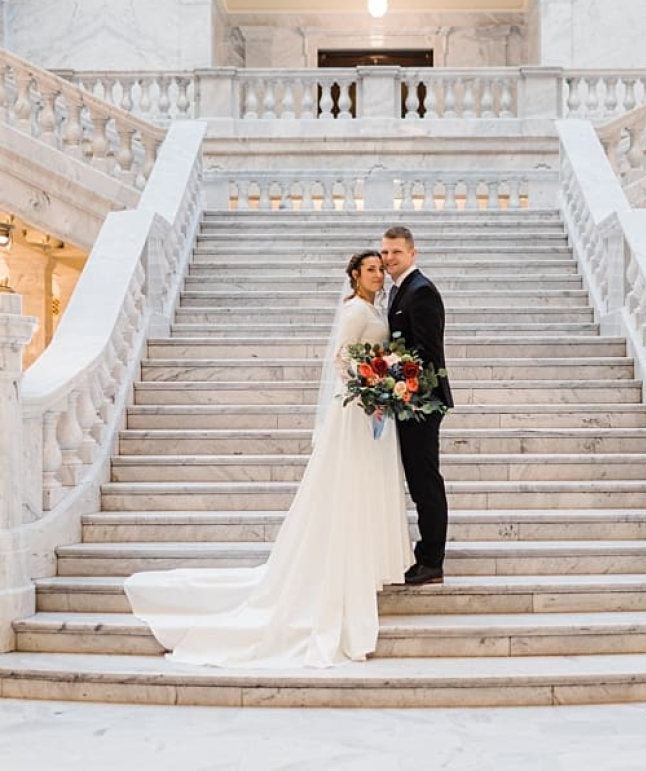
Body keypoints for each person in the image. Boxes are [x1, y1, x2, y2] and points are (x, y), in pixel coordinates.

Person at [124, 251, 411, 668]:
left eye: (381, 270)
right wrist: (370, 388)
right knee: (350, 481)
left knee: (367, 481)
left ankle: (367, 555)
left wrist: (387, 379)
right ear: (355, 275)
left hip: (373, 410)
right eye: (371, 270)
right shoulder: (353, 310)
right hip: (357, 409)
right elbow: (342, 357)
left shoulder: (374, 307)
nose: (379, 275)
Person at [380, 225, 453, 585]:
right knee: (419, 479)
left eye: (395, 251)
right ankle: (426, 554)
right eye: (385, 252)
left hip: (422, 403)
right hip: (408, 402)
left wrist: (387, 370)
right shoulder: (399, 291)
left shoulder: (421, 292)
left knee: (425, 481)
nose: (388, 258)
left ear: (412, 253)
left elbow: (426, 353)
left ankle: (431, 560)